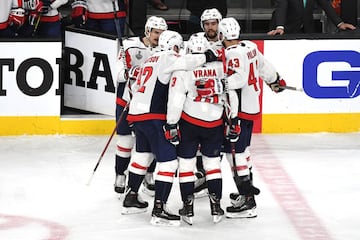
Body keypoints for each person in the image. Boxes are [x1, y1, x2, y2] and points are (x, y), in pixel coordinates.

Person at [122, 30, 218, 226]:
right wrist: (207, 55)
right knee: (169, 163)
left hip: (137, 115)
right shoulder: (167, 56)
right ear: (174, 46)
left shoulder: (148, 59)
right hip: (154, 117)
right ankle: (159, 209)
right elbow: (186, 63)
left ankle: (131, 197)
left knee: (142, 156)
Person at [216, 17, 287, 218]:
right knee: (241, 153)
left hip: (239, 112)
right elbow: (265, 67)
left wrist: (219, 84)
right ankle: (244, 193)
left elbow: (237, 79)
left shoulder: (232, 53)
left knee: (236, 155)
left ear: (222, 35)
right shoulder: (249, 46)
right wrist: (275, 80)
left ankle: (248, 201)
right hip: (251, 108)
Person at [166, 34, 227, 225]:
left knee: (186, 165)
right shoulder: (220, 68)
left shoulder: (183, 69)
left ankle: (188, 206)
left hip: (190, 122)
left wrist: (171, 123)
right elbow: (229, 94)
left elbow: (176, 100)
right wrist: (232, 120)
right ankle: (216, 206)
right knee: (212, 165)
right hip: (214, 122)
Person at [113, 16, 168, 197]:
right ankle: (120, 174)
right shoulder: (129, 46)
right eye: (156, 32)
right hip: (127, 100)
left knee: (150, 143)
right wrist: (129, 72)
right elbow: (117, 74)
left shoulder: (164, 50)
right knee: (126, 142)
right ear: (147, 31)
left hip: (149, 105)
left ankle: (149, 174)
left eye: (162, 33)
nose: (159, 36)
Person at [192, 8, 224, 198]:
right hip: (198, 100)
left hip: (219, 101)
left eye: (213, 23)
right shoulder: (196, 41)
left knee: (216, 144)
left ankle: (208, 177)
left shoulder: (227, 41)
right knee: (196, 142)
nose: (210, 27)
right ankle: (200, 175)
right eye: (207, 24)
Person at [267, 0, 356, 35]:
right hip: (285, 28)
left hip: (306, 29)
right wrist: (280, 27)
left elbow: (325, 4)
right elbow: (281, 7)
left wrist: (340, 23)